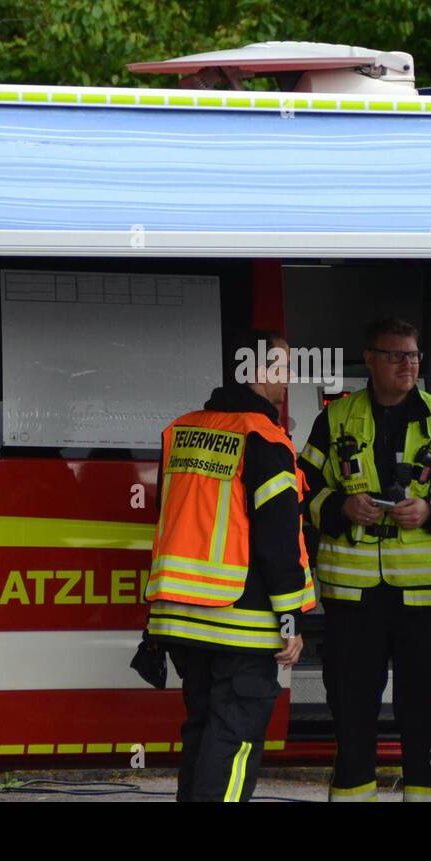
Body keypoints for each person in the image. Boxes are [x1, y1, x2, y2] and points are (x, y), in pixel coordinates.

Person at [298, 318, 431, 802]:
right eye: (396, 355)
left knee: (425, 708)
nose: (407, 364)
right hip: (353, 597)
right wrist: (339, 506)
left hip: (425, 597)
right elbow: (303, 485)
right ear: (369, 359)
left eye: (413, 355)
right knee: (351, 707)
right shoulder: (335, 418)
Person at [142, 330, 315, 802]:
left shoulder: (183, 430)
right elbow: (277, 540)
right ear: (258, 372)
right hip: (241, 620)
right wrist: (290, 617)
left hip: (181, 616)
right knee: (234, 741)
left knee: (202, 733)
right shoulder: (264, 439)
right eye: (281, 367)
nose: (289, 378)